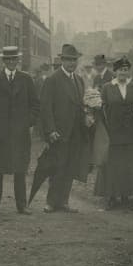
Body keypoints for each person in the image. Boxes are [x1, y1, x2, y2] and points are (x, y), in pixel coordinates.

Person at [0, 45, 39, 215]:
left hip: (20, 134)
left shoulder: (26, 79)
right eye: (8, 59)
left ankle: (22, 205)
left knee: (19, 170)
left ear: (18, 60)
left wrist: (27, 123)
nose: (11, 62)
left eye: (14, 59)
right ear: (3, 61)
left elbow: (35, 106)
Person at [38, 44, 89, 213]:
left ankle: (64, 201)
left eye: (74, 60)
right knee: (57, 167)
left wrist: (87, 117)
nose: (71, 63)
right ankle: (51, 202)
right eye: (68, 60)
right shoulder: (53, 80)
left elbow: (81, 105)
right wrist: (50, 130)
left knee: (70, 167)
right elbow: (45, 107)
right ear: (62, 60)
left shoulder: (79, 80)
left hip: (76, 132)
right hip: (59, 133)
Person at [94, 57, 133, 209]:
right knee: (112, 164)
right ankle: (111, 196)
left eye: (126, 70)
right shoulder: (107, 87)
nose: (123, 72)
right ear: (115, 71)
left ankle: (125, 196)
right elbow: (101, 108)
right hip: (112, 132)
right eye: (120, 70)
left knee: (127, 164)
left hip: (130, 133)